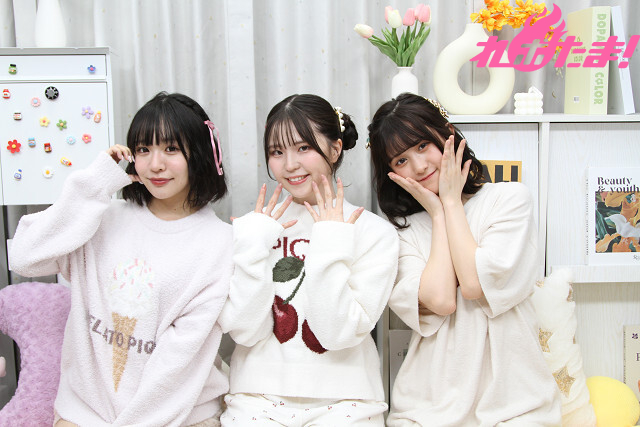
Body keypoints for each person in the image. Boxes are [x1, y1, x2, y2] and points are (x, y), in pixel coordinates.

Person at [9, 92, 233, 427]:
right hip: (85, 415)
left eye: (171, 149)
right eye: (143, 149)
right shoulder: (101, 218)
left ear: (199, 153)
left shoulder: (220, 242)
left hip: (182, 416)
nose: (155, 164)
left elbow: (178, 363)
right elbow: (24, 257)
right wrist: (95, 183)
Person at [368, 93, 561, 426]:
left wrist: (451, 203)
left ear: (447, 135)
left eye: (422, 146)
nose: (419, 166)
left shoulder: (509, 199)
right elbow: (441, 301)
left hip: (515, 398)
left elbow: (473, 284)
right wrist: (438, 214)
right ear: (391, 173)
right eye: (400, 160)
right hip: (429, 404)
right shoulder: (401, 232)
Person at [218, 94, 398, 425]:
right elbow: (245, 332)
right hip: (256, 398)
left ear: (335, 149)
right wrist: (252, 246)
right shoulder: (255, 229)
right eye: (277, 152)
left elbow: (337, 333)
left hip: (348, 400)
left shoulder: (374, 233)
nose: (289, 164)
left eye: (303, 147)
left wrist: (330, 237)